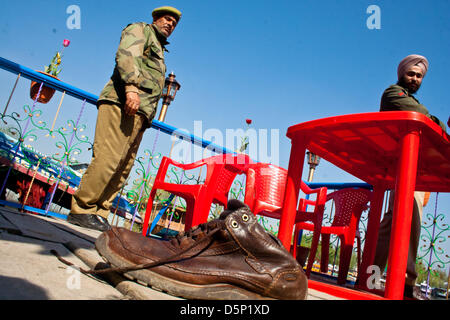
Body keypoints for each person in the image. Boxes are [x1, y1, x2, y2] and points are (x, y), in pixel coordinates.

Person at [67, 6, 182, 231]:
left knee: (123, 166)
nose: (170, 24)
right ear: (156, 18)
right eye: (167, 19)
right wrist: (130, 89)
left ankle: (100, 211)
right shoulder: (140, 30)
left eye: (174, 24)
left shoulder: (159, 46)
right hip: (122, 103)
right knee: (109, 158)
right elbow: (128, 56)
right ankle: (82, 209)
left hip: (140, 113)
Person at [374, 54, 447, 300]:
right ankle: (405, 281)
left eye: (419, 76)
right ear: (401, 73)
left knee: (391, 222)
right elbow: (421, 114)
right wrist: (436, 121)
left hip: (407, 165)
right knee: (411, 217)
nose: (415, 79)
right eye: (411, 74)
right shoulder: (392, 94)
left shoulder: (408, 98)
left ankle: (371, 275)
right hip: (399, 166)